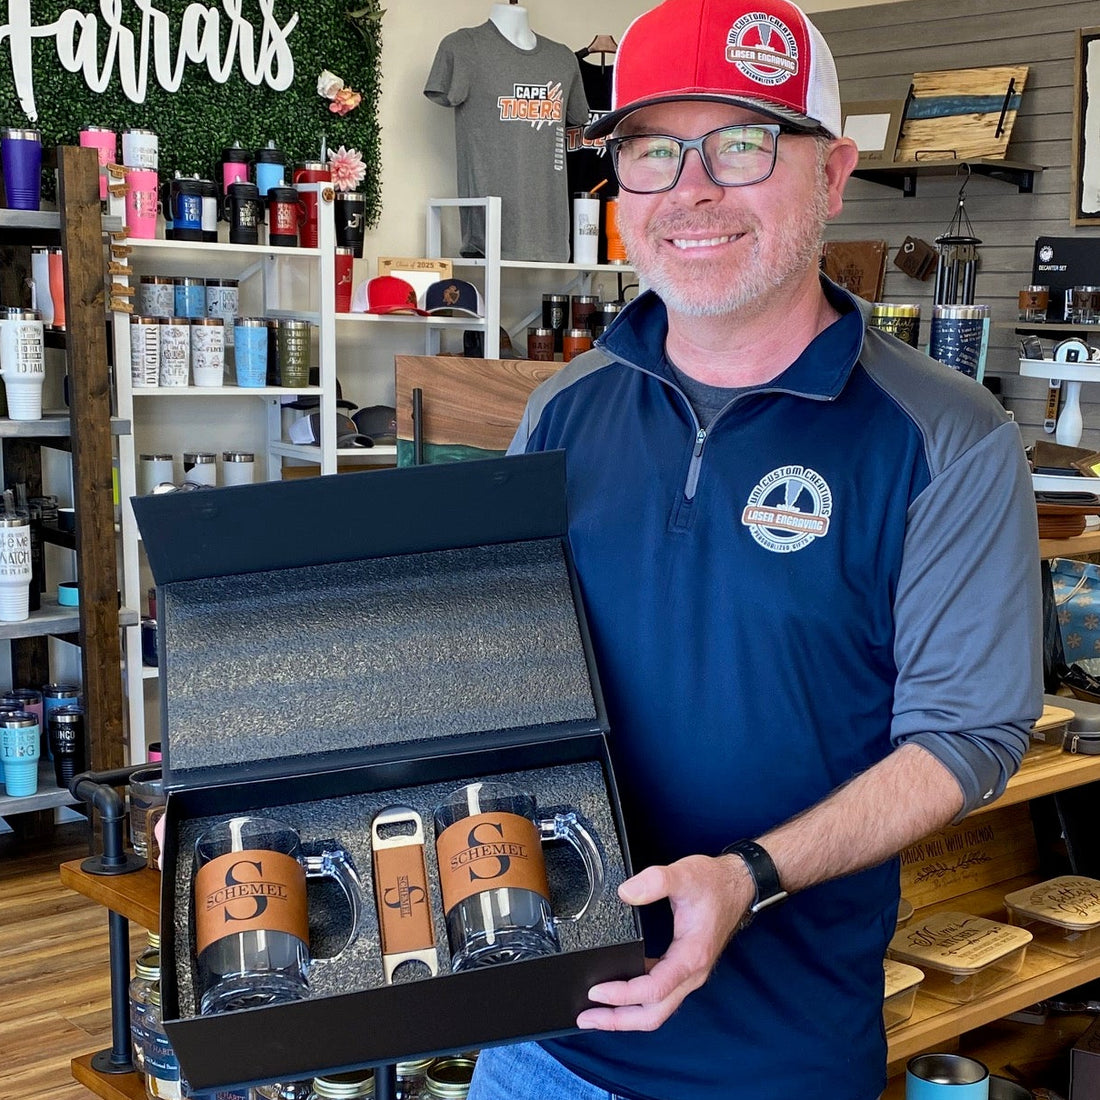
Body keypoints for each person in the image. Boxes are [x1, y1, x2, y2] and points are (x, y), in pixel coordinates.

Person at [470, 0, 1043, 1097]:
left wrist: (750, 873)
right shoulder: (561, 408)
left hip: (776, 1059)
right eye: (650, 149)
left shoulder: (944, 436)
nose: (690, 189)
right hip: (537, 1040)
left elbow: (964, 733)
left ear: (831, 175)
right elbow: (500, 667)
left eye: (740, 142)